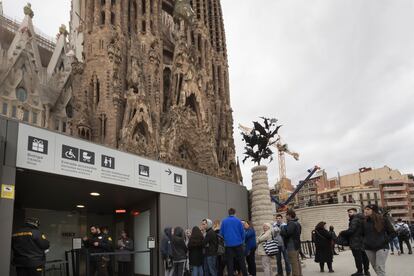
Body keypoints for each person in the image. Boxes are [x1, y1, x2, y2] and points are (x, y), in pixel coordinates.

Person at [362, 204, 396, 276]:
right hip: (368, 248)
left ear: (374, 211)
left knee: (380, 267)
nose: (365, 211)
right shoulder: (364, 221)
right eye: (365, 209)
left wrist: (384, 241)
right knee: (375, 268)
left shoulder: (383, 220)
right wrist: (364, 242)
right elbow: (361, 234)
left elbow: (393, 233)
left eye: (368, 209)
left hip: (382, 247)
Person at [340, 208, 370, 276]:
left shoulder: (354, 219)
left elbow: (351, 230)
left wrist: (342, 232)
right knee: (365, 257)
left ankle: (359, 272)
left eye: (350, 212)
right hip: (363, 241)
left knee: (358, 258)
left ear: (355, 212)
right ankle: (366, 271)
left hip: (355, 242)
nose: (349, 214)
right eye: (348, 212)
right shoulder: (363, 218)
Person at [220, 208, 248, 276]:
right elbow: (242, 233)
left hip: (228, 245)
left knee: (230, 262)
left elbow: (221, 233)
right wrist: (241, 240)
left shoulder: (224, 221)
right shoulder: (238, 221)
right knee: (242, 262)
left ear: (228, 213)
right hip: (238, 244)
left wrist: (226, 239)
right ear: (235, 213)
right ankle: (245, 274)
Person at [280, 209, 302, 276]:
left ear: (289, 215)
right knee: (297, 261)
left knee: (293, 262)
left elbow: (287, 233)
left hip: (291, 245)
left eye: (286, 215)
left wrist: (281, 230)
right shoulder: (297, 223)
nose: (285, 216)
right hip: (296, 245)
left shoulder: (291, 223)